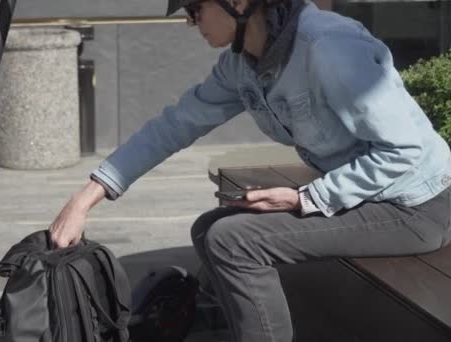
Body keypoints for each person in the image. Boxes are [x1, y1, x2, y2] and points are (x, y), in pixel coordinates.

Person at [49, 0, 451, 340]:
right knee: (209, 228)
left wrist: (307, 197)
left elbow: (406, 151)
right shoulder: (242, 66)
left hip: (416, 203)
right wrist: (85, 199)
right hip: (369, 196)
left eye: (194, 7)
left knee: (234, 241)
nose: (189, 21)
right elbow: (174, 125)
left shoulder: (328, 46)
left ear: (238, 2)